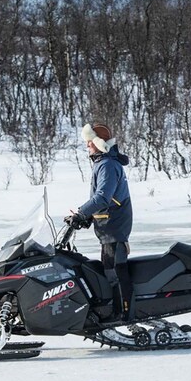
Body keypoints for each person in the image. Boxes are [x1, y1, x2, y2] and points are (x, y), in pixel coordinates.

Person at [65, 123, 134, 321]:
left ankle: (123, 313)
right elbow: (105, 200)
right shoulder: (104, 163)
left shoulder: (108, 165)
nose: (87, 146)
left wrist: (81, 213)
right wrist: (86, 217)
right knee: (109, 270)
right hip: (109, 228)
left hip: (114, 228)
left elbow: (103, 197)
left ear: (98, 143)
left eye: (89, 143)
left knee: (115, 273)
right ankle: (116, 310)